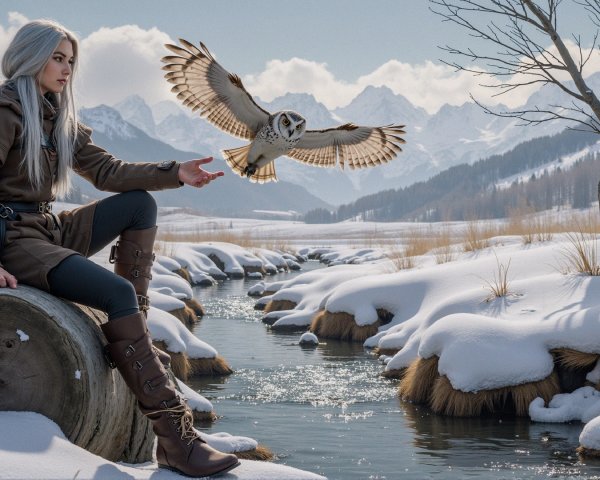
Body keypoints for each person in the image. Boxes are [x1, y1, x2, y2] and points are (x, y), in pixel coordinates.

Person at [0, 19, 240, 477]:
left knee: (137, 204)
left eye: (71, 60)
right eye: (57, 58)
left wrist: (175, 172)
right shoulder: (4, 109)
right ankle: (175, 439)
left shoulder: (57, 117)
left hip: (47, 228)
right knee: (117, 294)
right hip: (11, 238)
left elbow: (109, 173)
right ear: (31, 57)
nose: (67, 68)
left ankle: (133, 338)